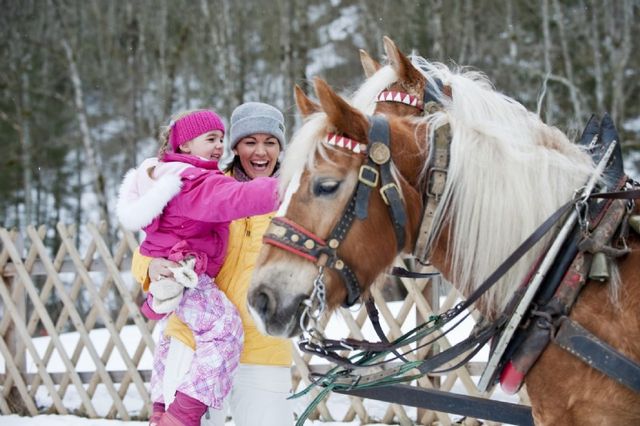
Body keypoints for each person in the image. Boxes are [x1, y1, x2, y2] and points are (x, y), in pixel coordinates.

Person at [131, 102, 294, 426]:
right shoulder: (200, 186)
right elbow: (151, 247)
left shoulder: (295, 202)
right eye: (250, 142)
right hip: (195, 344)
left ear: (281, 147)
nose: (261, 152)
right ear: (234, 146)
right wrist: (150, 268)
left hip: (265, 349)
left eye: (270, 142)